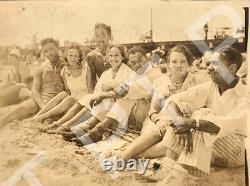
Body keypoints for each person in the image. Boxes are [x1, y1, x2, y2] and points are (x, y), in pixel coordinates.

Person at [151, 46, 247, 185]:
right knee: (184, 109)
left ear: (232, 69)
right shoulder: (212, 86)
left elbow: (220, 126)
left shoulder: (245, 95)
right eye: (209, 63)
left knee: (201, 115)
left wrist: (191, 123)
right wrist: (181, 122)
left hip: (236, 152)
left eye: (215, 64)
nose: (208, 68)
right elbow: (173, 101)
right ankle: (168, 168)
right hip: (213, 146)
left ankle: (181, 174)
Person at [64, 46, 163, 144]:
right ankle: (91, 128)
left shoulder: (153, 73)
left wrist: (103, 96)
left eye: (140, 60)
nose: (138, 64)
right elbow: (123, 88)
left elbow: (129, 91)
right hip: (137, 115)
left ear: (147, 58)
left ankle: (95, 131)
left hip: (153, 116)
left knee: (126, 97)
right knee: (117, 96)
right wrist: (103, 96)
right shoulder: (135, 75)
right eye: (133, 63)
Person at [44, 45, 135, 133]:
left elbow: (124, 92)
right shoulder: (107, 73)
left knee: (100, 102)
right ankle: (58, 124)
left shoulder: (128, 72)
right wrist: (102, 92)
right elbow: (97, 90)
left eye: (116, 55)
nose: (113, 58)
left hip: (117, 107)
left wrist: (108, 88)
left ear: (123, 57)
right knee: (88, 98)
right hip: (104, 101)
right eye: (111, 55)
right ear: (107, 57)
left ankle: (66, 126)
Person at [0, 38, 67, 129]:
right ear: (43, 53)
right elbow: (34, 90)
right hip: (42, 101)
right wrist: (43, 106)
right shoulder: (41, 68)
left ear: (57, 48)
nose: (49, 53)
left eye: (51, 49)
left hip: (60, 102)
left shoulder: (67, 65)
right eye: (46, 51)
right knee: (19, 109)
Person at [28, 45, 88, 122]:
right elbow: (68, 91)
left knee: (69, 99)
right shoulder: (65, 71)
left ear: (79, 57)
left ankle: (41, 117)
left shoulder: (85, 68)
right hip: (73, 100)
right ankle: (38, 115)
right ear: (66, 57)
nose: (73, 58)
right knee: (63, 94)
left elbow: (91, 89)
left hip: (84, 100)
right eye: (70, 56)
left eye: (76, 56)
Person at [86, 23, 112, 93]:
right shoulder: (92, 56)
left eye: (103, 35)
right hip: (103, 92)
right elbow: (91, 82)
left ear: (109, 36)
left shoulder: (118, 51)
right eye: (97, 36)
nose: (99, 39)